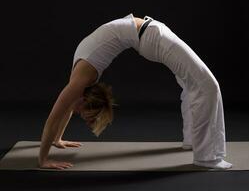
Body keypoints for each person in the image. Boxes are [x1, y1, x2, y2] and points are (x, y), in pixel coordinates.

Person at [38, 13, 233, 170]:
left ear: (84, 98)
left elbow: (53, 118)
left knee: (206, 86)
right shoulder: (80, 82)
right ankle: (200, 150)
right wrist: (56, 141)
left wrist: (44, 159)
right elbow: (66, 110)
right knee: (198, 85)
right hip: (149, 35)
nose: (77, 113)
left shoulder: (79, 82)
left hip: (153, 37)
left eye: (82, 112)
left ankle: (205, 156)